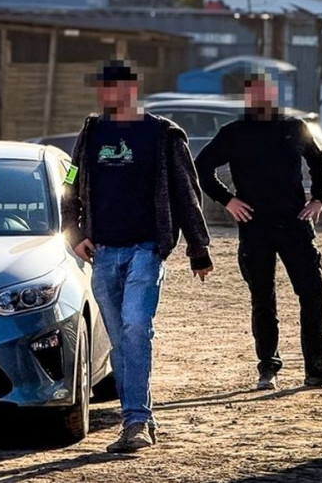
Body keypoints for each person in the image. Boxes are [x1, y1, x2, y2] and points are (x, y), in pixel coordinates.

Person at [61, 60, 213, 454]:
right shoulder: (92, 132)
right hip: (103, 253)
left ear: (130, 90)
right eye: (101, 88)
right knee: (120, 340)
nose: (104, 95)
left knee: (134, 329)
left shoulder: (162, 135)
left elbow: (186, 191)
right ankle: (138, 417)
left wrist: (198, 248)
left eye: (111, 87)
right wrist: (74, 233)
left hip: (146, 249)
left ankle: (136, 422)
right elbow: (70, 183)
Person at [194, 74, 322, 391]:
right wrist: (228, 200)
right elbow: (202, 166)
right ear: (247, 97)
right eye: (254, 94)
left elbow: (319, 160)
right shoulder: (234, 133)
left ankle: (317, 368)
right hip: (255, 228)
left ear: (274, 94)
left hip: (295, 224)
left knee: (312, 294)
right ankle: (268, 369)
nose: (261, 99)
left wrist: (319, 197)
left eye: (266, 93)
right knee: (262, 300)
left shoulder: (293, 128)